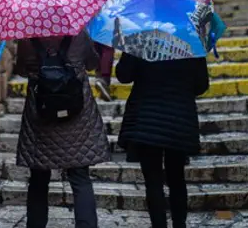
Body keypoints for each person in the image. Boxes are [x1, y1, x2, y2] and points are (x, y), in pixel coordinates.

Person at [14, 31, 111, 228]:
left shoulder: (26, 38)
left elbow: (22, 70)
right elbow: (92, 64)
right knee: (80, 177)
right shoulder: (79, 33)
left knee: (39, 178)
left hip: (41, 115)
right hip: (77, 115)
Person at [115, 54, 210, 228]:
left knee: (153, 181)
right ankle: (179, 224)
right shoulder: (189, 40)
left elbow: (124, 76)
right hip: (179, 118)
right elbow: (201, 85)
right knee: (177, 178)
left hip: (146, 118)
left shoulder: (142, 37)